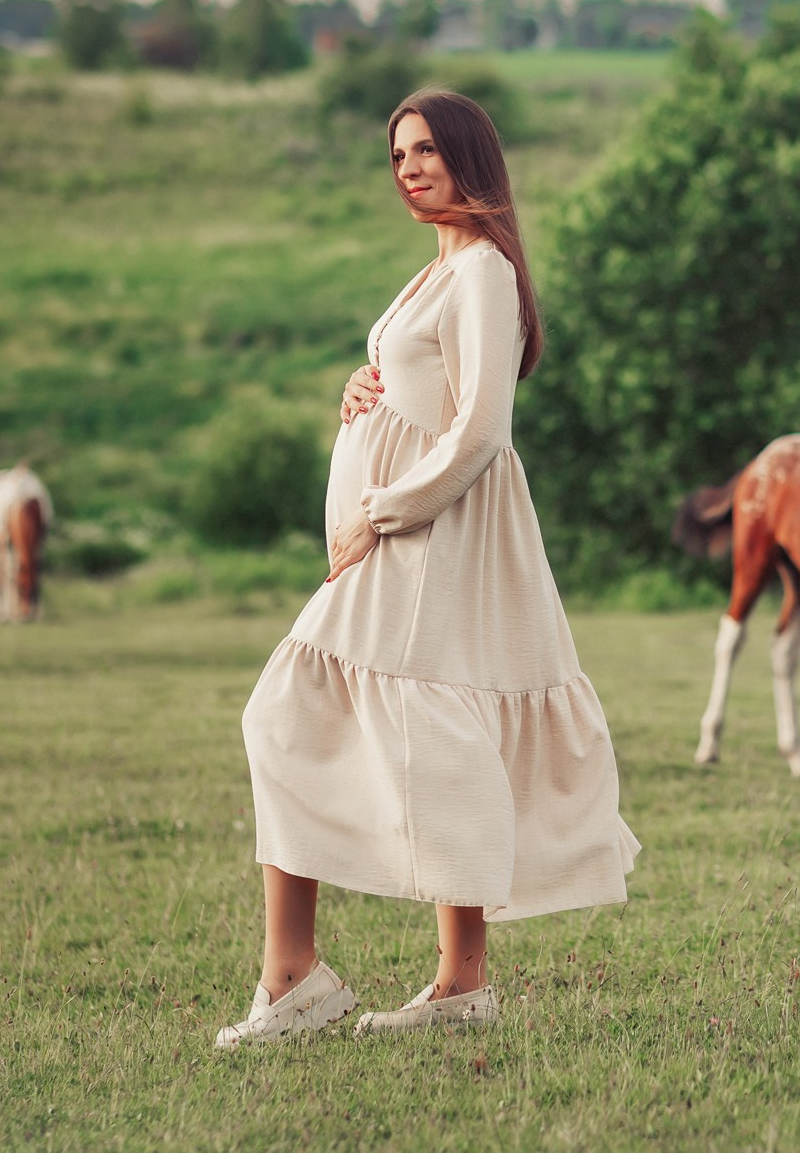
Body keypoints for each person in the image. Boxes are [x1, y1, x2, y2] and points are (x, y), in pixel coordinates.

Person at [218, 89, 638, 1047]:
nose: (407, 167)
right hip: (400, 532)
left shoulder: (483, 268)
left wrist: (382, 508)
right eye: (396, 153)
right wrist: (360, 385)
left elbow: (483, 426)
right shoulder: (434, 271)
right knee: (397, 722)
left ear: (468, 156)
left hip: (429, 530)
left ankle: (343, 980)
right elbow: (419, 382)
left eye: (425, 151)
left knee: (315, 713)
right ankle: (402, 983)